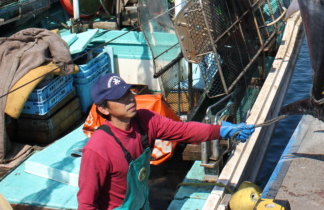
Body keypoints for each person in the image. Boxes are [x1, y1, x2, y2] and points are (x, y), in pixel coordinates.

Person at [77, 73, 255, 210]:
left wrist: (222, 130)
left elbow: (184, 130)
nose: (129, 98)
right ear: (103, 109)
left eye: (128, 92)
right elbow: (86, 203)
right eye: (119, 97)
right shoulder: (97, 149)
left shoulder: (146, 120)